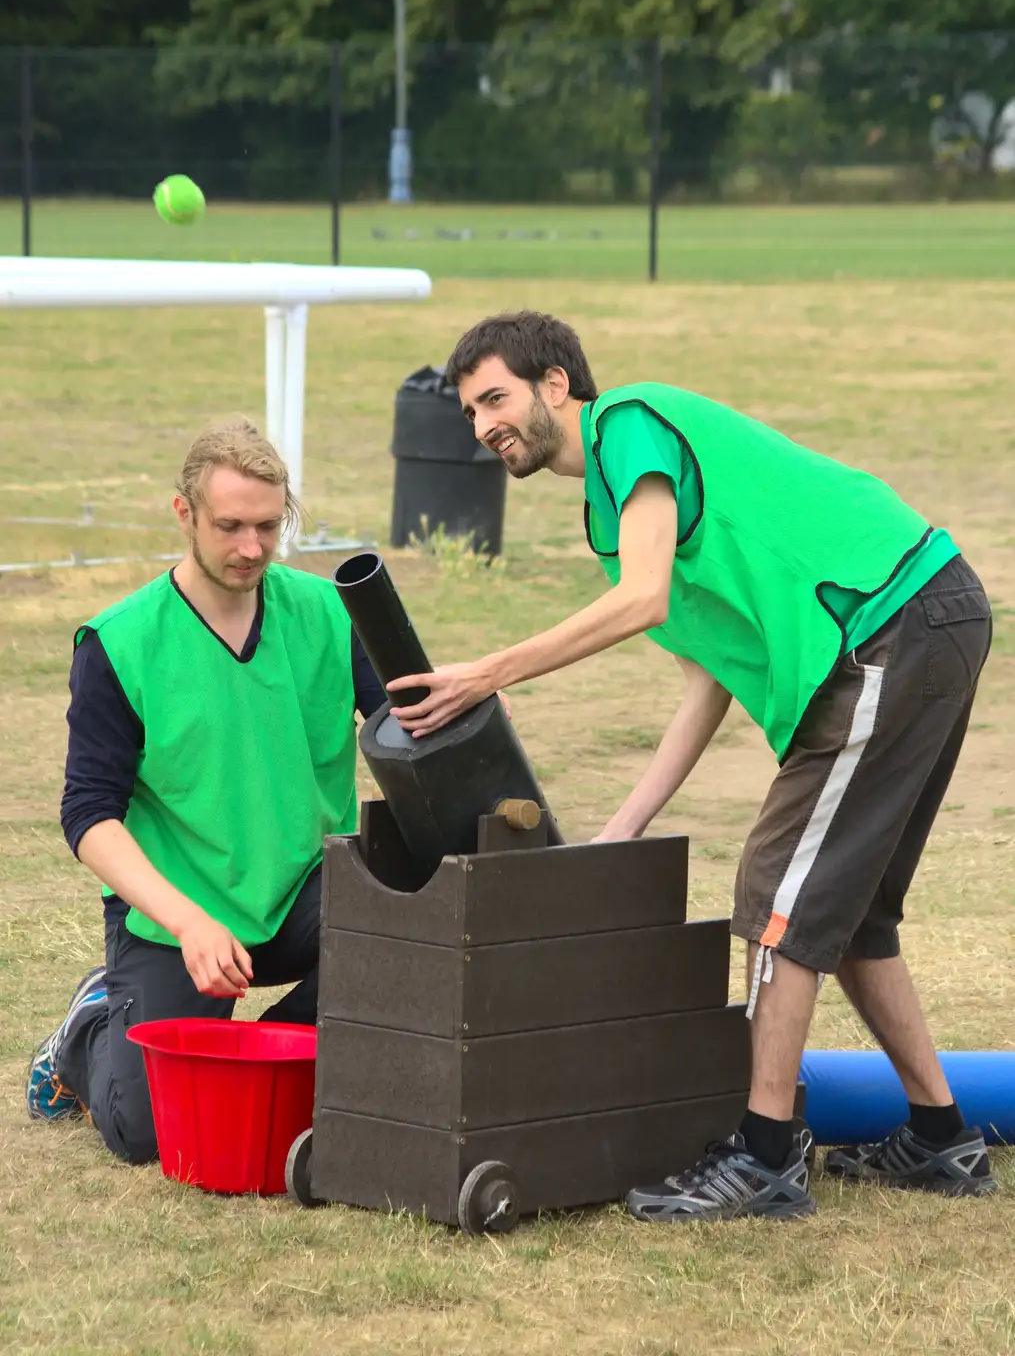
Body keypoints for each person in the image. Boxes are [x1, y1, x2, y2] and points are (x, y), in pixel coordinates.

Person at [384, 311, 996, 1222]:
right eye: (471, 411)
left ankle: (763, 1154)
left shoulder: (628, 423)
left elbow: (643, 599)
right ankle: (942, 1139)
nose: (482, 426)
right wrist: (618, 830)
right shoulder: (615, 512)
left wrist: (486, 672)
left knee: (777, 891)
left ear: (557, 386)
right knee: (849, 907)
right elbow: (703, 686)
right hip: (907, 623)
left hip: (885, 623)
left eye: (496, 399)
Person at [26, 419, 385, 1164]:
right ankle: (91, 1026)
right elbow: (88, 815)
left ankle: (244, 1055)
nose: (251, 547)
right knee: (146, 1133)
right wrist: (189, 923)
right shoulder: (119, 643)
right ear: (184, 513)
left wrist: (462, 715)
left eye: (267, 525)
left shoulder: (328, 612)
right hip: (177, 913)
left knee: (412, 949)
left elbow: (404, 717)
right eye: (230, 526)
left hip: (307, 888)